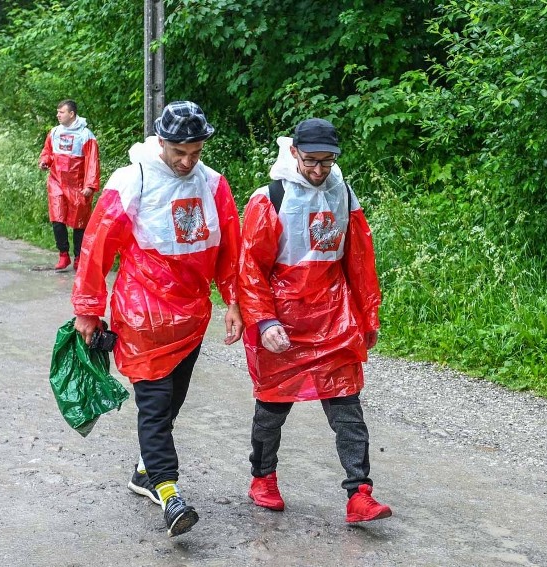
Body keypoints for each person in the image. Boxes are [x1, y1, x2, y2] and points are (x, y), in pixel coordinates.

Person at [71, 101, 243, 537]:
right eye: (179, 152)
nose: (187, 162)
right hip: (141, 314)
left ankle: (144, 471)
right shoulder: (133, 180)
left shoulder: (213, 185)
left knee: (171, 402)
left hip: (190, 316)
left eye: (196, 152)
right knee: (153, 404)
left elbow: (229, 251)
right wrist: (89, 310)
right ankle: (169, 494)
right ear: (161, 142)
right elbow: (96, 246)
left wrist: (236, 303)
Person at [237, 118, 392, 523]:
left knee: (347, 408)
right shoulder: (270, 198)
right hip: (283, 324)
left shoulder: (342, 193)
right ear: (294, 153)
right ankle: (263, 477)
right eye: (311, 161)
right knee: (272, 408)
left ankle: (359, 493)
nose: (319, 170)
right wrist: (264, 321)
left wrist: (366, 314)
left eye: (327, 161)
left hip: (333, 318)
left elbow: (359, 258)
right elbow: (250, 267)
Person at [38, 99, 100, 271]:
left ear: (71, 114)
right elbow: (48, 152)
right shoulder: (55, 132)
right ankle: (63, 255)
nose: (58, 115)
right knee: (57, 218)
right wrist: (44, 161)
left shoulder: (86, 135)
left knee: (79, 222)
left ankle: (79, 257)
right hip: (56, 182)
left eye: (61, 112)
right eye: (57, 112)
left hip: (78, 185)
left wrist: (90, 185)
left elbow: (92, 161)